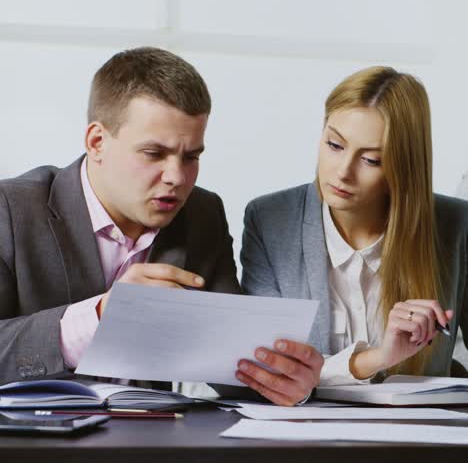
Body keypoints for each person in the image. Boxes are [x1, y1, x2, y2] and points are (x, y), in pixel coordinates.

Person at [0, 47, 322, 405]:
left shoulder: (202, 213)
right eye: (154, 154)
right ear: (97, 142)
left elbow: (231, 363)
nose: (176, 177)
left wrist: (282, 378)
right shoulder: (11, 210)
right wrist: (100, 317)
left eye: (191, 157)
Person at [239, 66, 468, 385]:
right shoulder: (270, 220)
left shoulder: (457, 226)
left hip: (420, 432)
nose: (343, 171)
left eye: (371, 160)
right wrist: (377, 358)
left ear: (403, 168)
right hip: (300, 431)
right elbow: (264, 366)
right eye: (334, 145)